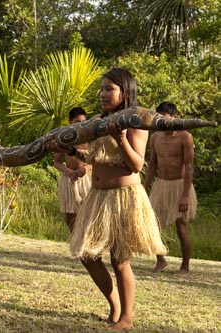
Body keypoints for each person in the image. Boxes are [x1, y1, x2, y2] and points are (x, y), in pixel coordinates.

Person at [47, 68, 167, 331]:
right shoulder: (98, 121)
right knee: (86, 254)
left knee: (119, 259)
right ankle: (114, 305)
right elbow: (95, 158)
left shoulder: (136, 120)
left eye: (109, 89)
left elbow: (136, 164)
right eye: (101, 89)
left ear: (125, 92)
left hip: (124, 197)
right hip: (98, 196)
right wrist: (71, 150)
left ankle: (126, 317)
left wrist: (121, 140)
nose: (102, 94)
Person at [144, 101, 197, 274]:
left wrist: (185, 195)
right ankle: (160, 259)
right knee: (151, 224)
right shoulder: (155, 137)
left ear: (175, 117)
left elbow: (189, 167)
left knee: (181, 229)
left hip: (180, 185)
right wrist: (143, 188)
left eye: (165, 119)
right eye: (159, 119)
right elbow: (152, 165)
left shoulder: (185, 137)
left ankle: (185, 266)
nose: (163, 123)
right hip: (161, 184)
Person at [52, 107, 92, 232]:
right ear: (70, 121)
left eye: (83, 122)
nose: (80, 125)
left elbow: (97, 160)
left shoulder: (89, 138)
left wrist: (86, 168)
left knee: (88, 213)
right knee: (70, 216)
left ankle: (87, 244)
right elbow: (56, 162)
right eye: (77, 121)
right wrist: (68, 171)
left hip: (86, 180)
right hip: (69, 179)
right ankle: (74, 240)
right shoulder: (64, 138)